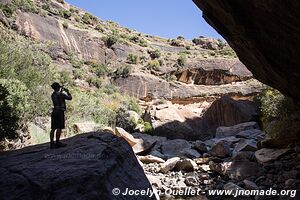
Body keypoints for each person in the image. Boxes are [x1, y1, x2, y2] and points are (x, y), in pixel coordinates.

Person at [49, 82, 72, 149]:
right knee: (59, 127)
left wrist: (61, 92)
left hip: (54, 111)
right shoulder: (61, 94)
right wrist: (68, 92)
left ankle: (52, 143)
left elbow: (58, 98)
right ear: (57, 87)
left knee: (53, 128)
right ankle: (57, 142)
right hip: (60, 112)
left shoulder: (53, 95)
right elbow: (70, 98)